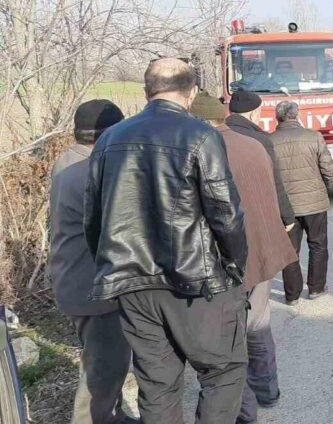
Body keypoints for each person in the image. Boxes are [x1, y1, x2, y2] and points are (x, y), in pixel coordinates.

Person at [85, 58, 249, 424]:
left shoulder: (110, 139)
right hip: (195, 282)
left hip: (132, 283)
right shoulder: (200, 135)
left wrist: (111, 267)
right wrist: (237, 264)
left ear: (147, 92)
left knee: (157, 385)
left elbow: (93, 220)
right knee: (222, 373)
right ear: (191, 93)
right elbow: (225, 212)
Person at [191, 94, 299, 424]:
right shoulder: (254, 143)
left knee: (229, 339)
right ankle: (268, 390)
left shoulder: (199, 150)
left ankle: (245, 411)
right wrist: (286, 218)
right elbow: (274, 189)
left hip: (228, 258)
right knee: (259, 325)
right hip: (262, 251)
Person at [49, 100, 134, 424]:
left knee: (102, 361)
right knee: (103, 368)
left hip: (72, 277)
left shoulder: (69, 160)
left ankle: (114, 415)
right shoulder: (91, 172)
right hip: (91, 287)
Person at [270, 100, 333, 304]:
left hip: (285, 207)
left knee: (290, 251)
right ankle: (316, 288)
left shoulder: (268, 141)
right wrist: (325, 188)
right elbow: (328, 167)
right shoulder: (313, 136)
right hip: (314, 203)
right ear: (296, 115)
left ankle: (292, 295)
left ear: (277, 117)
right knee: (318, 245)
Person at [224, 90, 296, 232]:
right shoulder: (261, 140)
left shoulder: (216, 135)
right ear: (253, 113)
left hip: (225, 210)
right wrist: (287, 215)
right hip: (256, 210)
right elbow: (274, 180)